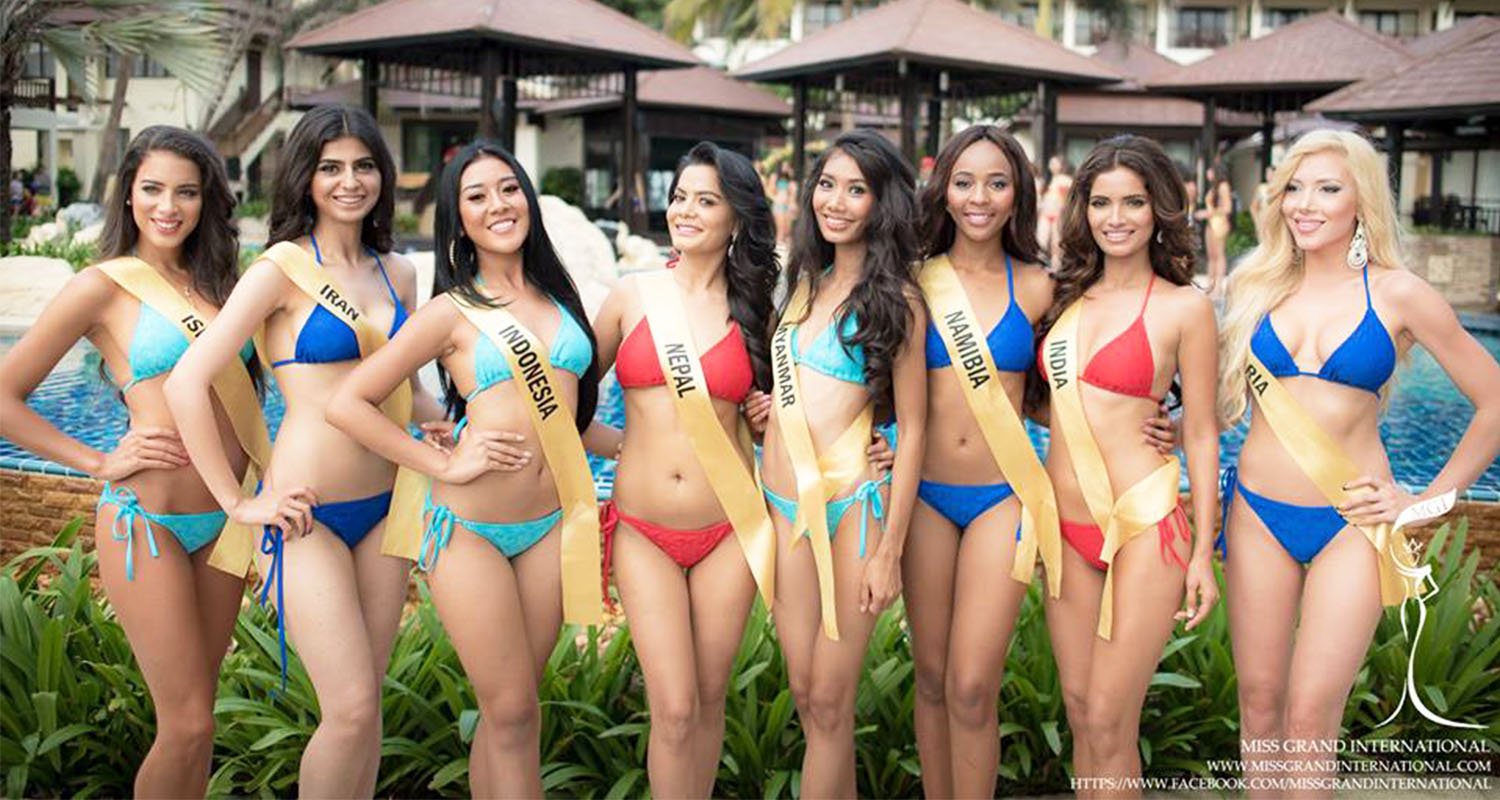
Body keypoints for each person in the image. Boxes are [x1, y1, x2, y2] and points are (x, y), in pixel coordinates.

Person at [165, 105, 444, 798]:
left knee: (367, 712)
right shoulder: (280, 271)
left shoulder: (400, 273)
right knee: (348, 709)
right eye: (331, 168)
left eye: (364, 166)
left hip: (388, 509)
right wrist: (237, 502)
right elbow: (187, 382)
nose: (350, 182)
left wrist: (458, 428)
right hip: (304, 514)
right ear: (306, 179)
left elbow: (410, 391)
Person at [1216, 130, 1500, 797]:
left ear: (1361, 202)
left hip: (1352, 521)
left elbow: (1493, 400)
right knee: (1259, 704)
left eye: (1327, 189)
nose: (1304, 204)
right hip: (1256, 514)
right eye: (1294, 187)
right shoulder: (1255, 286)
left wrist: (1426, 500)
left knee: (1311, 713)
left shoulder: (1400, 294)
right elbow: (1220, 407)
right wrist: (1166, 430)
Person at [905, 125, 1179, 798]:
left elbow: (1064, 393)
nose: (979, 198)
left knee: (972, 686)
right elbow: (881, 390)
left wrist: (1155, 424)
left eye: (997, 183)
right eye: (964, 182)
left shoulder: (1041, 288)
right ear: (943, 191)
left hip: (1005, 498)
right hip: (924, 497)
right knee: (932, 680)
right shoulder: (913, 284)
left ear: (1018, 196)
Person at [0, 126, 273, 797]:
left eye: (187, 192)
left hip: (225, 524)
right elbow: (5, 398)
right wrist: (95, 460)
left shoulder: (224, 285)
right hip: (147, 523)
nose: (168, 206)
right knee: (185, 723)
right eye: (152, 189)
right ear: (128, 195)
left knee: (201, 723)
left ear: (208, 200)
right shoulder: (101, 286)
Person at [329, 139, 602, 797]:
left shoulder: (560, 300)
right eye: (477, 196)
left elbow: (573, 419)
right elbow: (349, 402)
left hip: (549, 525)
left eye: (508, 189)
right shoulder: (451, 311)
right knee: (512, 711)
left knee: (515, 709)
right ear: (458, 220)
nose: (498, 205)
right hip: (469, 531)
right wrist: (441, 465)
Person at [586, 141, 778, 797]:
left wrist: (768, 420)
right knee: (672, 708)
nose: (685, 211)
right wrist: (623, 447)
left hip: (729, 528)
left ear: (737, 217)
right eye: (679, 198)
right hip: (643, 530)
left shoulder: (758, 311)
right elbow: (565, 405)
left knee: (709, 698)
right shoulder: (631, 296)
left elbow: (787, 419)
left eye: (706, 200)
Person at [1031, 134, 1219, 794]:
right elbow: (1033, 401)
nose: (1116, 218)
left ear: (1159, 208)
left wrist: (1203, 554)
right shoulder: (1061, 297)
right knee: (1083, 713)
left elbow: (1203, 434)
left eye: (1133, 202)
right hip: (1066, 529)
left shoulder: (1184, 307)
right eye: (1101, 202)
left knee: (1111, 721)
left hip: (1144, 526)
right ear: (1082, 210)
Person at [759, 129, 927, 797]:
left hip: (850, 510)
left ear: (882, 204)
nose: (835, 201)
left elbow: (914, 427)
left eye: (856, 190)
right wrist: (765, 410)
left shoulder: (899, 300)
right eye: (827, 185)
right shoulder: (803, 284)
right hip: (783, 508)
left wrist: (890, 551)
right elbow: (792, 390)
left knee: (830, 701)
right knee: (807, 695)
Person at [1199, 162, 1233, 299]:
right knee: (1211, 256)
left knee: (1219, 256)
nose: (1208, 172)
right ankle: (1210, 286)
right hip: (1211, 223)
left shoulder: (1223, 186)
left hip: (1219, 224)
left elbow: (1227, 208)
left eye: (1210, 170)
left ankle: (1217, 288)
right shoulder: (1214, 187)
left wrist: (1208, 213)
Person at [1037, 155, 1074, 265]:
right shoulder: (1052, 179)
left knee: (1056, 241)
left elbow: (1066, 200)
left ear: (1061, 165)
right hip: (1046, 213)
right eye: (1051, 163)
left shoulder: (1064, 180)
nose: (1051, 165)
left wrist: (1063, 214)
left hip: (1057, 214)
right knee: (1042, 240)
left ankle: (1056, 263)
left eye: (1054, 163)